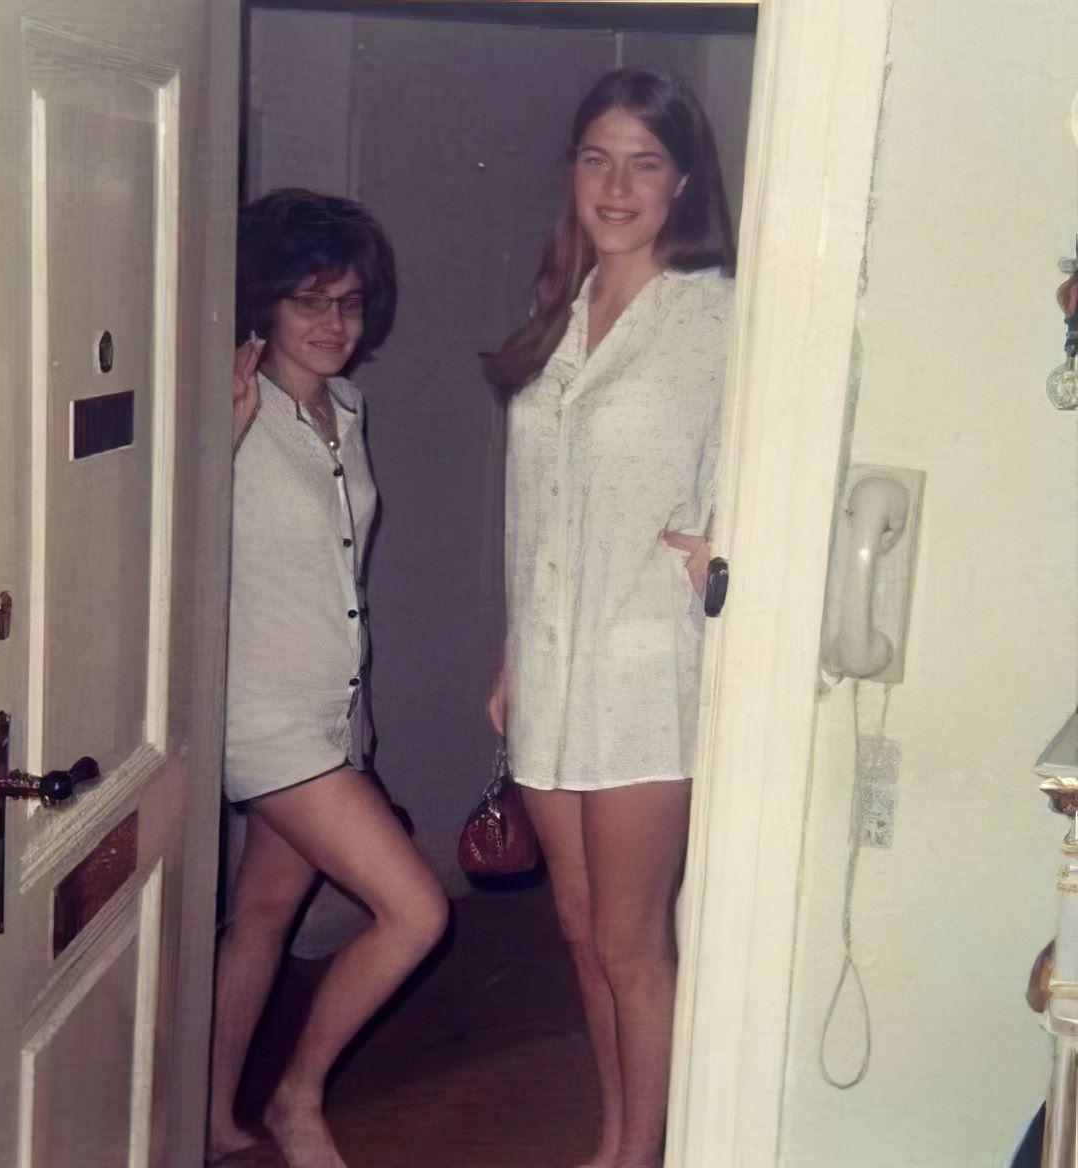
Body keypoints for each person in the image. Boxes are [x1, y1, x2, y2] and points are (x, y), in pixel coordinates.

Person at [483, 69, 735, 1168]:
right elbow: (536, 505)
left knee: (632, 941)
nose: (617, 186)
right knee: (581, 930)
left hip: (643, 671)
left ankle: (643, 1155)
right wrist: (510, 650)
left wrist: (728, 552)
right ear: (572, 174)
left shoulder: (718, 314)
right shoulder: (565, 305)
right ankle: (614, 1136)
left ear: (682, 181)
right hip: (548, 666)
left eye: (644, 163)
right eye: (597, 159)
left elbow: (768, 465)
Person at [207, 189, 448, 1168]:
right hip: (261, 715)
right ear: (263, 301)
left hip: (333, 712)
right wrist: (216, 439)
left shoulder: (345, 407)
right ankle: (297, 1100)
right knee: (417, 911)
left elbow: (338, 572)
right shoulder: (229, 405)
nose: (332, 323)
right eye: (308, 300)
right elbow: (163, 547)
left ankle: (211, 1117)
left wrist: (358, 714)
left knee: (263, 917)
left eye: (348, 301)